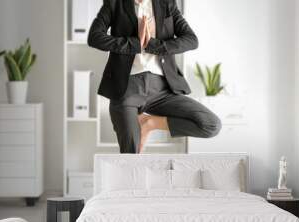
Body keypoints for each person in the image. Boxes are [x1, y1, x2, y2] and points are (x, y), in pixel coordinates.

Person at [88, 0, 221, 153]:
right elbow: (95, 37)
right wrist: (135, 44)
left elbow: (191, 40)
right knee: (131, 156)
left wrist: (152, 45)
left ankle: (149, 123)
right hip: (126, 90)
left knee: (211, 125)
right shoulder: (115, 3)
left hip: (163, 91)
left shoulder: (167, 4)